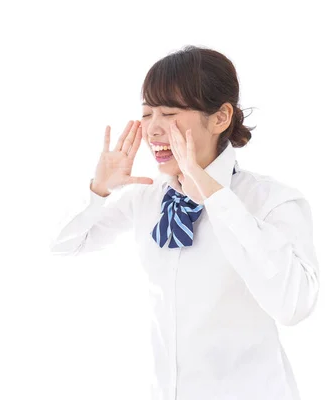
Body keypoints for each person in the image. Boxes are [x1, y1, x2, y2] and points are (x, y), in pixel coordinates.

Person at [49, 45, 320, 400]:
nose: (153, 130)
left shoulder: (272, 201)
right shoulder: (147, 195)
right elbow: (63, 245)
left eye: (169, 113)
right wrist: (99, 189)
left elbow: (294, 306)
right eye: (147, 114)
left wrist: (215, 196)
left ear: (221, 117)